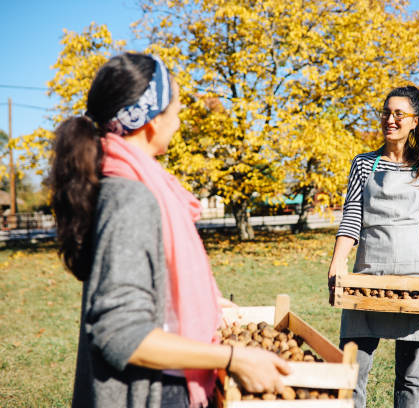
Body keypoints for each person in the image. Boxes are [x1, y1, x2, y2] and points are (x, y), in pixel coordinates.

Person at [49, 53, 290, 408]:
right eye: (175, 111)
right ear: (150, 122)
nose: (178, 122)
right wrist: (232, 357)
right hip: (156, 394)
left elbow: (144, 287)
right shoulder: (130, 198)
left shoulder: (126, 182)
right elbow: (121, 334)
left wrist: (205, 302)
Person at [327, 86, 419, 408]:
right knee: (353, 372)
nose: (390, 119)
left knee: (410, 376)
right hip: (368, 279)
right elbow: (351, 219)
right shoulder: (364, 165)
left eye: (399, 114)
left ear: (415, 121)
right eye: (386, 112)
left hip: (416, 280)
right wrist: (337, 263)